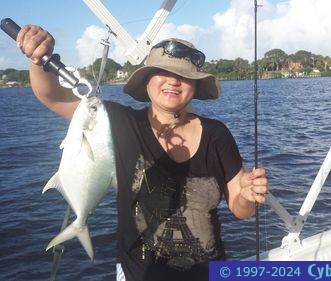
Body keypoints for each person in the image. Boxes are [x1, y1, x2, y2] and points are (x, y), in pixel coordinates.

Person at [16, 25, 268, 281]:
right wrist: (39, 59)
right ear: (146, 80)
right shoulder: (115, 123)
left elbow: (241, 210)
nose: (173, 80)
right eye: (162, 72)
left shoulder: (217, 135)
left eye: (183, 75)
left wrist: (248, 196)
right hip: (138, 273)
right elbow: (51, 95)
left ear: (195, 85)